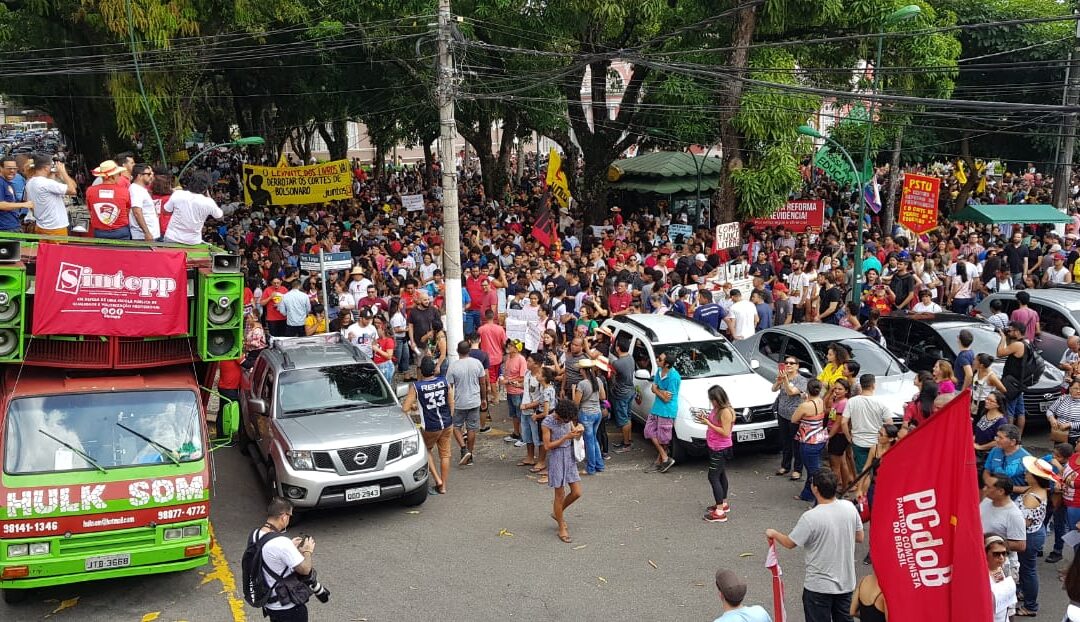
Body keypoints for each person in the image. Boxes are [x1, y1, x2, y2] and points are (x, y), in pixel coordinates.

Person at [765, 470, 863, 622]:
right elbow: (860, 537)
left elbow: (790, 543)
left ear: (815, 489)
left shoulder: (811, 517)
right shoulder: (849, 507)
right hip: (846, 582)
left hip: (819, 586)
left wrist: (774, 533)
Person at [252, 497, 316, 622]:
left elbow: (267, 555)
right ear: (284, 516)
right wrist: (307, 551)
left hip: (269, 604)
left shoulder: (256, 534)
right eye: (290, 516)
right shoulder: (281, 542)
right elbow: (305, 569)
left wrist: (290, 547)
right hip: (288, 608)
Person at [402, 357, 453, 495]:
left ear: (421, 371)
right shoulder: (444, 381)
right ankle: (443, 486)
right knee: (445, 454)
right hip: (447, 422)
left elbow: (405, 408)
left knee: (425, 449)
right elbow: (451, 401)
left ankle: (437, 480)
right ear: (434, 369)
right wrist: (450, 417)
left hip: (431, 425)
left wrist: (414, 406)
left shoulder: (416, 387)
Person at [543, 400, 584, 544]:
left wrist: (579, 432)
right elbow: (547, 446)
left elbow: (575, 435)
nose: (567, 422)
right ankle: (561, 526)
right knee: (559, 495)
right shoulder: (547, 422)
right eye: (565, 419)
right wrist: (565, 437)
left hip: (569, 456)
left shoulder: (568, 419)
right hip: (556, 458)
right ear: (559, 414)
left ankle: (557, 513)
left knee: (577, 492)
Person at [1015, 457, 1052, 617]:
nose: (1025, 473)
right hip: (1035, 533)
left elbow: (1023, 524)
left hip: (1029, 537)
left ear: (1036, 478)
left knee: (1028, 570)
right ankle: (1024, 593)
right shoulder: (1033, 489)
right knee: (1025, 569)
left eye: (1029, 472)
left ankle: (1030, 606)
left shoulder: (1032, 497)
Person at [446, 340, 488, 466]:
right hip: (474, 401)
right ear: (469, 350)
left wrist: (449, 404)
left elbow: (449, 387)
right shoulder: (477, 364)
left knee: (456, 426)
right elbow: (482, 382)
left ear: (457, 351)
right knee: (472, 428)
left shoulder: (453, 366)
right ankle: (469, 453)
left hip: (460, 402)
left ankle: (463, 448)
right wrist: (484, 398)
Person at [981, 477, 1028, 583]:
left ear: (1001, 491)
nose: (984, 489)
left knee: (998, 596)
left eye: (988, 487)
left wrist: (990, 542)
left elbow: (1020, 545)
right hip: (983, 561)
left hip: (1000, 566)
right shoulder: (985, 501)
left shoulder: (1014, 514)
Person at [844, 374, 893, 475]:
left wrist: (849, 438)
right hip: (876, 443)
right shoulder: (881, 402)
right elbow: (889, 423)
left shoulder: (851, 401)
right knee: (878, 473)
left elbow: (843, 422)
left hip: (858, 441)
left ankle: (863, 490)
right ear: (874, 385)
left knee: (863, 473)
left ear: (861, 385)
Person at [700, 385, 735, 523]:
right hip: (714, 446)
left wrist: (708, 423)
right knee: (720, 474)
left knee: (713, 476)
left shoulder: (726, 411)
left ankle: (720, 512)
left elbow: (725, 432)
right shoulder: (717, 409)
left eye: (712, 399)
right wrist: (706, 419)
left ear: (717, 399)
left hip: (720, 448)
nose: (711, 402)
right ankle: (723, 504)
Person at [163, 170, 223, 245]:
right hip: (193, 241)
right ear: (206, 187)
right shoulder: (209, 202)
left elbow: (166, 210)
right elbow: (220, 217)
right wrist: (209, 197)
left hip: (172, 237)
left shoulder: (178, 194)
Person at [773, 355, 808, 480]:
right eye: (786, 363)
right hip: (782, 414)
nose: (788, 365)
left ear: (797, 366)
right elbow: (773, 389)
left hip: (795, 415)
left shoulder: (802, 380)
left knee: (796, 442)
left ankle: (798, 469)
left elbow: (791, 392)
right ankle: (785, 465)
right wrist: (779, 380)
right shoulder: (784, 378)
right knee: (785, 441)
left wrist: (785, 381)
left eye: (791, 363)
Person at [794, 379, 828, 503]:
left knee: (814, 472)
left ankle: (819, 499)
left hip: (809, 440)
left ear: (808, 390)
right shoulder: (820, 401)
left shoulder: (805, 405)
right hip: (820, 438)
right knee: (813, 469)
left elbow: (794, 419)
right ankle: (807, 494)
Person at [25, 153, 76, 235]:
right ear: (45, 168)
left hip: (41, 226)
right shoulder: (46, 183)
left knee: (45, 248)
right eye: (51, 165)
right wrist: (63, 172)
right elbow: (73, 190)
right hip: (56, 228)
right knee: (58, 248)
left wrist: (59, 176)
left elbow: (73, 185)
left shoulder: (29, 182)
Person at [645, 351, 680, 473]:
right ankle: (664, 458)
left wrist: (657, 390)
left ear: (666, 365)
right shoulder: (659, 372)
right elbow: (654, 388)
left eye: (659, 359)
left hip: (667, 411)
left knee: (663, 439)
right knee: (649, 431)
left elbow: (666, 398)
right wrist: (660, 391)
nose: (657, 360)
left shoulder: (674, 377)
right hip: (656, 408)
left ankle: (660, 461)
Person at [997, 321, 1033, 434]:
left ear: (1017, 331)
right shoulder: (1027, 342)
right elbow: (1009, 347)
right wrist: (1007, 337)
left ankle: (1009, 435)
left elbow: (1000, 353)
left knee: (1009, 411)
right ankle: (1019, 438)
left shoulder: (1018, 345)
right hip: (1019, 382)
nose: (1009, 331)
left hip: (1011, 383)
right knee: (1020, 412)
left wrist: (1002, 337)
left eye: (1011, 330)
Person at [85, 160, 135, 239]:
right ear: (113, 176)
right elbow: (128, 209)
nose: (120, 176)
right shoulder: (124, 191)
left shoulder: (90, 191)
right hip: (121, 231)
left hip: (100, 232)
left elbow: (90, 210)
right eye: (119, 174)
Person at [572, 358, 605, 475]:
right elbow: (603, 397)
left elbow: (576, 403)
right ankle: (599, 464)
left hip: (586, 414)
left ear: (582, 370)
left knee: (589, 442)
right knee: (594, 439)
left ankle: (591, 468)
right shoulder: (598, 380)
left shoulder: (582, 384)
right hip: (597, 413)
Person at [825, 378, 854, 490]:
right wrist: (830, 392)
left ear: (846, 391)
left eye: (840, 389)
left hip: (837, 435)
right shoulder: (836, 400)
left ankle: (835, 489)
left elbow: (838, 424)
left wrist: (828, 437)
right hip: (835, 433)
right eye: (835, 388)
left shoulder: (843, 403)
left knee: (835, 466)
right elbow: (825, 408)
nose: (837, 390)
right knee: (841, 463)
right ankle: (844, 488)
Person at [983, 424, 1032, 489]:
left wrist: (1007, 489)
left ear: (1012, 442)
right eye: (997, 436)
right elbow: (986, 471)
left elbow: (1033, 487)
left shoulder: (1028, 459)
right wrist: (989, 483)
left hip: (1016, 497)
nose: (996, 440)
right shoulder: (995, 450)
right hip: (994, 493)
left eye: (1000, 438)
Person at [610, 336, 637, 453]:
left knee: (623, 419)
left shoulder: (617, 363)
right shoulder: (631, 358)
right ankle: (628, 440)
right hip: (630, 390)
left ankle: (626, 444)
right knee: (628, 416)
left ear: (618, 348)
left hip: (621, 393)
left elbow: (611, 376)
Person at [986, 533, 1018, 622]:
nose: (1001, 558)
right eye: (996, 554)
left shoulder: (1004, 568)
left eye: (1004, 553)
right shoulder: (979, 577)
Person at [1048, 379, 1080, 446]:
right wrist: (1052, 419)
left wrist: (1070, 425)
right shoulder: (1063, 398)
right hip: (1059, 435)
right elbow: (1050, 410)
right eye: (1076, 388)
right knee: (1059, 455)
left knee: (1073, 456)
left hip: (1076, 439)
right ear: (1070, 389)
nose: (1078, 391)